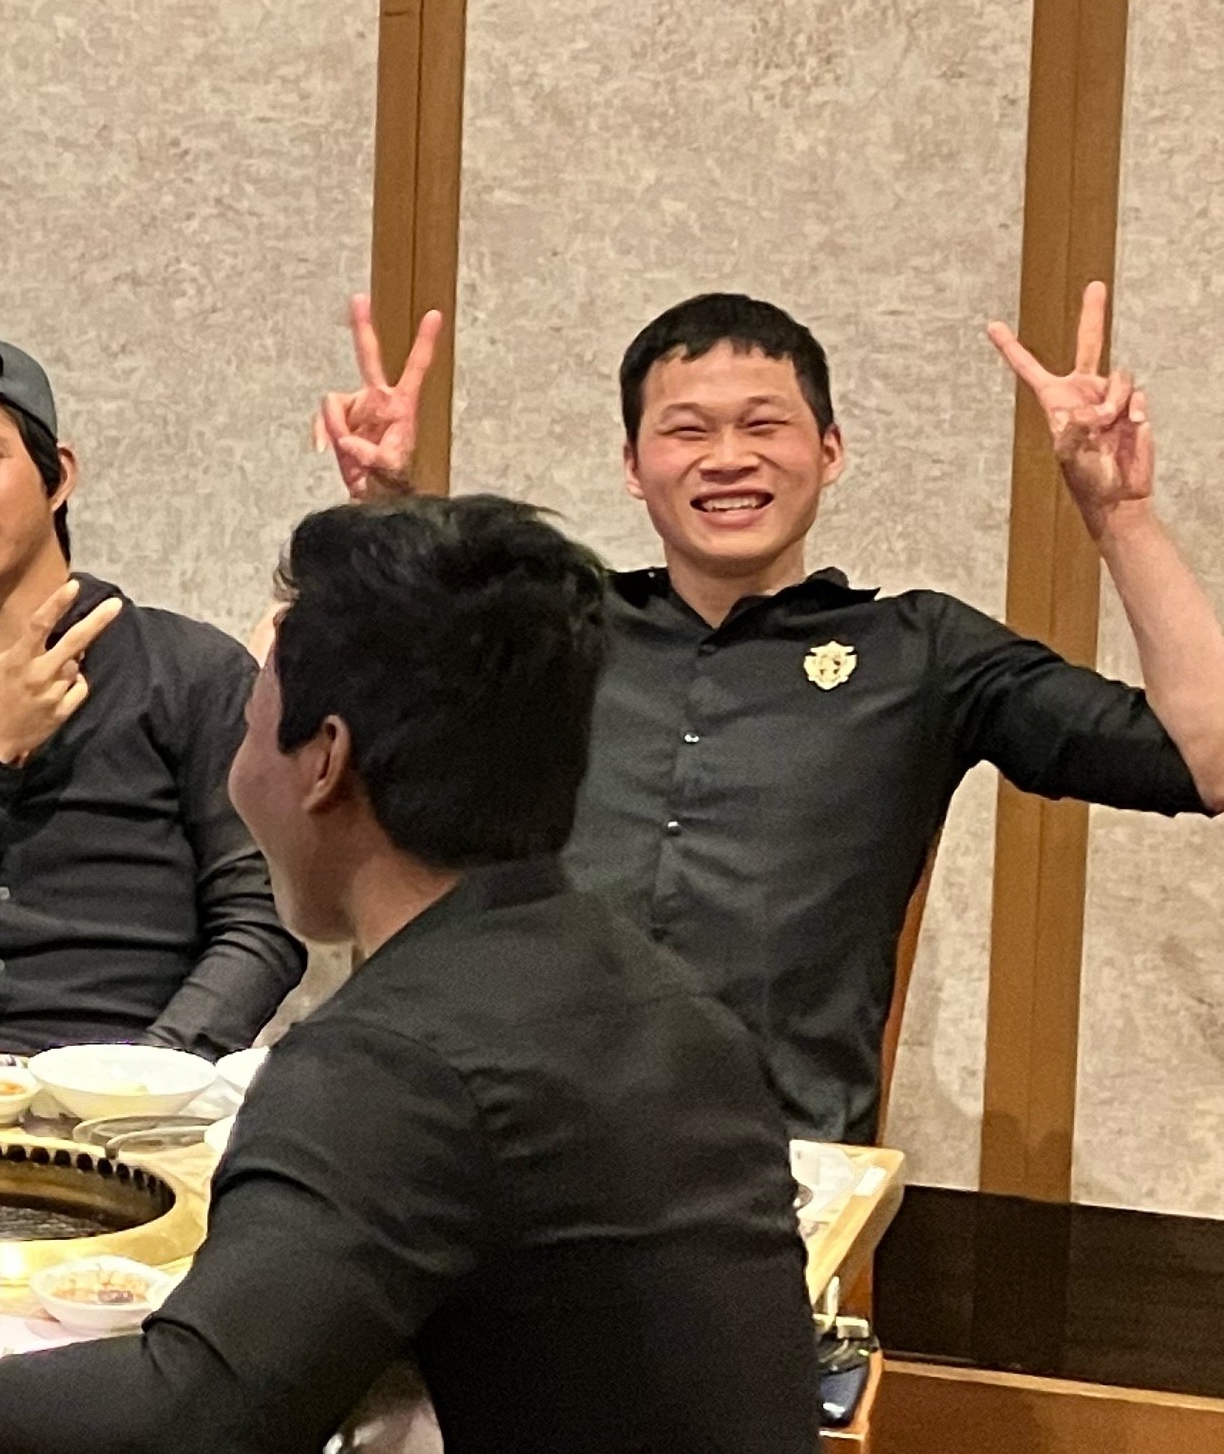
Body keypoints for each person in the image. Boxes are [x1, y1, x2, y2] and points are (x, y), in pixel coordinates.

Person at [0, 495, 817, 1454]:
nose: (238, 771)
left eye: (251, 726)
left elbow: (191, 1414)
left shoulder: (392, 1062)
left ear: (325, 760)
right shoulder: (676, 1006)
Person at [321, 285, 1224, 1140]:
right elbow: (328, 732)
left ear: (830, 450)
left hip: (769, 1164)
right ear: (633, 466)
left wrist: (1120, 513)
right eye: (687, 430)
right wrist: (380, 516)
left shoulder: (921, 651)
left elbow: (1205, 760)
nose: (727, 457)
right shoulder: (546, 626)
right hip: (504, 1139)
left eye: (763, 425)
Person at [0, 332, 302, 1056]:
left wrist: (152, 1071)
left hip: (137, 1080)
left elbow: (261, 920)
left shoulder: (192, 671)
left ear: (57, 475)